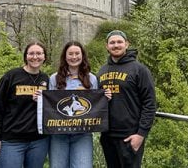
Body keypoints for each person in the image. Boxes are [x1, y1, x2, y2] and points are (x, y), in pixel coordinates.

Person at [97, 30, 156, 168]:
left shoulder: (139, 70)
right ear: (107, 46)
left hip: (130, 136)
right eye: (112, 42)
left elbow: (150, 104)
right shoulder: (102, 71)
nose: (116, 45)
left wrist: (141, 135)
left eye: (119, 42)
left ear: (126, 44)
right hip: (107, 136)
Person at [0, 41, 50, 168]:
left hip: (39, 140)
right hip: (12, 141)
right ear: (26, 56)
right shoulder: (11, 76)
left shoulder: (46, 79)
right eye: (31, 53)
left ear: (44, 57)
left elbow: (51, 108)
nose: (35, 57)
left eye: (39, 53)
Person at [47, 41, 98, 168]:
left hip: (83, 134)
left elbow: (95, 105)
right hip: (58, 134)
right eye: (70, 54)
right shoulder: (54, 78)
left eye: (77, 53)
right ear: (65, 56)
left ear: (83, 56)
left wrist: (105, 97)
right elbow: (50, 105)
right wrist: (40, 98)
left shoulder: (91, 79)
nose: (74, 57)